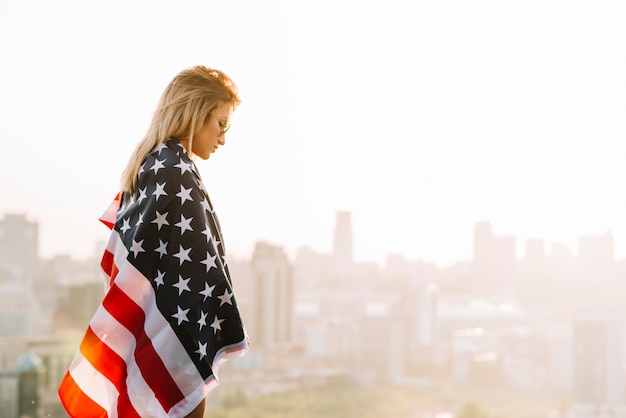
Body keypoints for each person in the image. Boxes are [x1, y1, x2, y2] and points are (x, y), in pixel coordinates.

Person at [58, 65, 249, 418]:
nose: (222, 138)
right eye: (220, 124)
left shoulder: (155, 165)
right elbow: (177, 278)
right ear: (194, 112)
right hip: (174, 342)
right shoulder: (172, 172)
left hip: (167, 337)